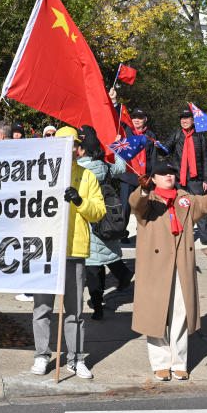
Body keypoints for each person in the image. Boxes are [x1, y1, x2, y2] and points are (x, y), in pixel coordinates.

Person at [130, 159, 207, 380]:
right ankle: (160, 362)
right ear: (153, 178)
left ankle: (179, 362)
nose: (168, 176)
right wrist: (143, 189)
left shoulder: (184, 198)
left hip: (181, 263)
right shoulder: (148, 199)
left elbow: (203, 203)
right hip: (155, 267)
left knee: (180, 314)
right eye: (162, 174)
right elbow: (136, 205)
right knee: (156, 316)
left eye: (171, 173)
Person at [30, 126, 105, 379]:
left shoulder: (87, 177)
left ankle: (75, 359)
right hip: (45, 251)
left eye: (72, 144)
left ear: (78, 148)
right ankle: (42, 356)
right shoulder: (38, 174)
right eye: (63, 143)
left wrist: (79, 201)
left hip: (74, 250)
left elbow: (98, 212)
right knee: (42, 309)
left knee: (74, 311)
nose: (68, 149)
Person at [75, 125, 133, 319]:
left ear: (82, 150)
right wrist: (118, 148)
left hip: (89, 220)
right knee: (109, 254)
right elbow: (122, 167)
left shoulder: (79, 169)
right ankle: (124, 275)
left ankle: (98, 307)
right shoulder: (105, 167)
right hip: (108, 219)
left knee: (93, 267)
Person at [163, 107, 207, 247]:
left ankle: (206, 237)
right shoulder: (176, 135)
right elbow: (165, 150)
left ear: (193, 120)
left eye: (187, 118)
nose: (184, 120)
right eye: (182, 118)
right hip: (179, 178)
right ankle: (180, 236)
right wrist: (158, 146)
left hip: (196, 179)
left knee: (200, 207)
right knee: (179, 208)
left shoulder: (201, 137)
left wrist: (206, 179)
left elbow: (206, 159)